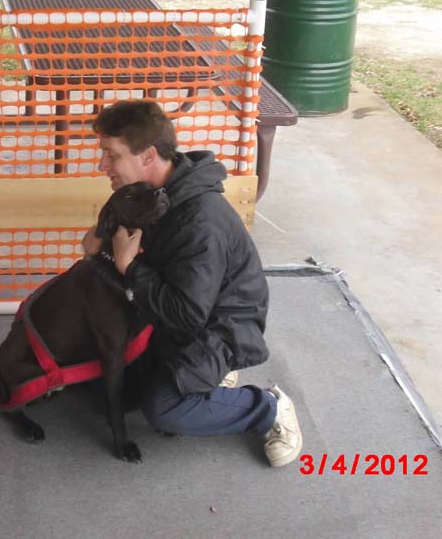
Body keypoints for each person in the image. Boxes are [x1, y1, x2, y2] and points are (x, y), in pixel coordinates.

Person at [82, 100, 302, 467]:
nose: (103, 165)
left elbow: (188, 315)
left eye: (111, 155)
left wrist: (130, 266)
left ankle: (267, 408)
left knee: (166, 410)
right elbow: (93, 244)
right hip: (172, 306)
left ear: (148, 155)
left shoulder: (200, 221)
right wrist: (104, 241)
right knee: (103, 393)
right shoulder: (145, 191)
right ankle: (208, 380)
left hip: (219, 323)